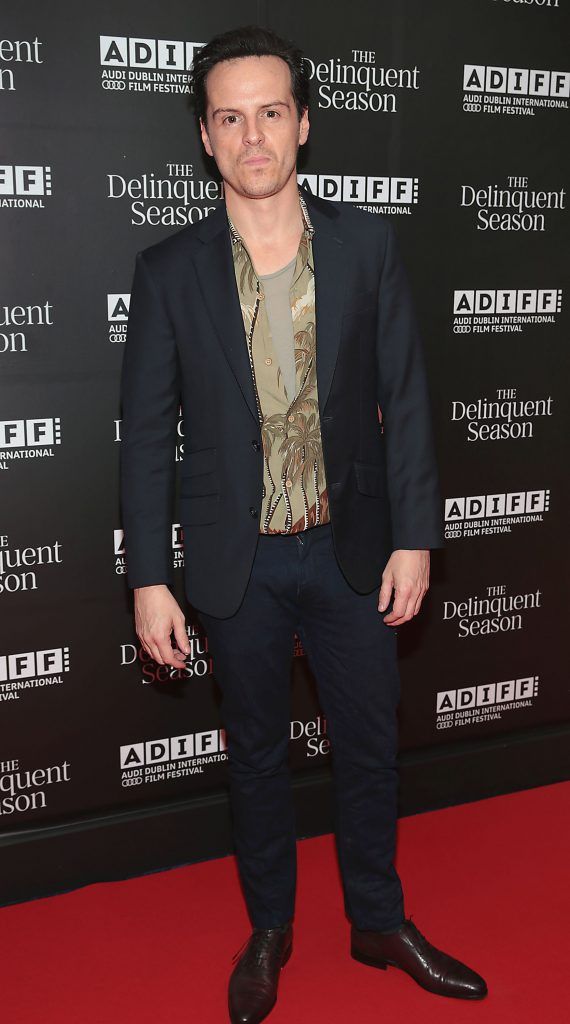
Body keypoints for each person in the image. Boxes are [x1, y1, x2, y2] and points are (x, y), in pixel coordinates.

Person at [120, 24, 488, 1024]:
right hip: (235, 561)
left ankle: (376, 918)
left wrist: (417, 535)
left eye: (270, 113)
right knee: (254, 751)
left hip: (351, 550)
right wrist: (150, 576)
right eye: (230, 118)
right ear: (204, 135)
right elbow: (148, 438)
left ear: (304, 123)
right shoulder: (168, 271)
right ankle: (272, 929)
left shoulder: (366, 245)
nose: (253, 137)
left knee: (371, 743)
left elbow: (406, 397)